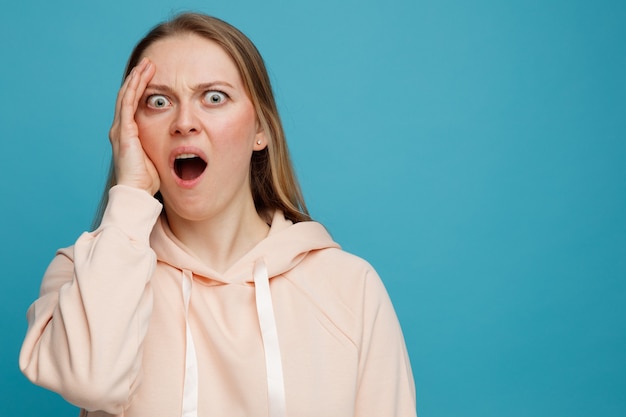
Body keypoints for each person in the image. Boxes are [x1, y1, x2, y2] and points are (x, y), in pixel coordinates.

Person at [19, 12, 416, 417]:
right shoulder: (82, 276)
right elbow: (92, 383)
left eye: (213, 97)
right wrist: (131, 195)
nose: (184, 123)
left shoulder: (351, 288)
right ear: (130, 129)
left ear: (260, 128)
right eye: (158, 102)